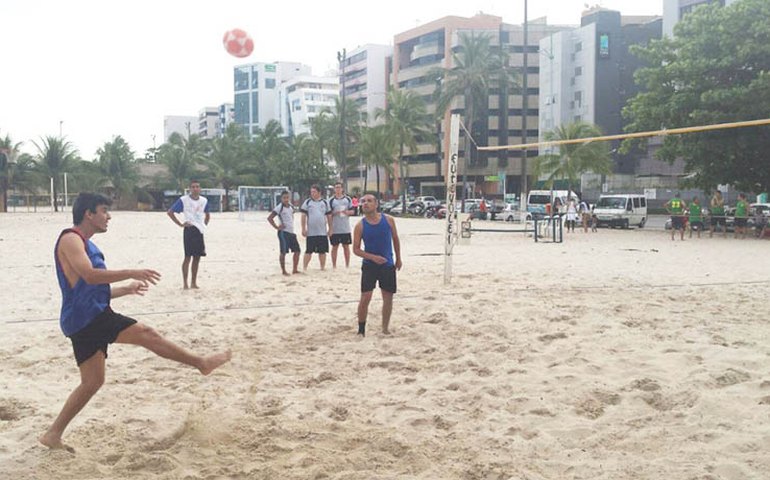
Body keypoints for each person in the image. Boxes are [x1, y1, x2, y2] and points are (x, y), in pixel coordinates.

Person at [40, 193, 231, 453]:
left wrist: (125, 289)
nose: (108, 216)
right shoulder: (71, 239)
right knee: (146, 334)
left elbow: (90, 288)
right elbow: (89, 275)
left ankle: (53, 434)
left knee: (92, 382)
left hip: (85, 317)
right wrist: (132, 271)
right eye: (104, 210)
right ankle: (201, 363)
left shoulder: (87, 244)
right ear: (88, 214)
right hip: (88, 318)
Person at [353, 194, 402, 337]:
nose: (365, 204)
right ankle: (361, 330)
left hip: (387, 264)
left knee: (388, 297)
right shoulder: (360, 225)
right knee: (365, 297)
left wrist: (398, 258)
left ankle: (385, 328)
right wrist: (372, 257)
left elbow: (395, 239)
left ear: (376, 204)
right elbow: (356, 249)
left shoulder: (389, 220)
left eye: (369, 201)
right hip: (369, 265)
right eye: (363, 202)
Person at [167, 180, 210, 289]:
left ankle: (193, 282)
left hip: (199, 231)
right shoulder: (184, 200)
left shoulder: (204, 201)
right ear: (190, 189)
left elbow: (207, 214)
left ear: (200, 189)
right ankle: (185, 283)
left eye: (197, 187)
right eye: (193, 187)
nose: (195, 189)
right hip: (189, 229)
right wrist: (180, 224)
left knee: (197, 258)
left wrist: (203, 225)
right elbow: (170, 212)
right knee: (187, 257)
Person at [267, 190, 300, 275]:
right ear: (281, 198)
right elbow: (270, 218)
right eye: (284, 198)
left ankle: (295, 269)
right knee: (283, 252)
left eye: (287, 197)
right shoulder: (279, 207)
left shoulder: (291, 207)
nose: (286, 199)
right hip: (283, 233)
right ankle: (284, 271)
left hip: (291, 232)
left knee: (297, 251)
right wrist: (277, 227)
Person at [300, 184, 331, 271]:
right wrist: (303, 228)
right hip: (311, 232)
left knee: (322, 251)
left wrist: (331, 228)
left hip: (322, 231)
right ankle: (304, 267)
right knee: (309, 251)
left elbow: (329, 216)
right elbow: (303, 216)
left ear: (319, 192)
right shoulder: (307, 202)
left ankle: (322, 267)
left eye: (314, 192)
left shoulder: (325, 202)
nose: (312, 193)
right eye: (311, 192)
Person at [328, 182, 355, 269]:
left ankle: (347, 265)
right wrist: (334, 212)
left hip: (345, 228)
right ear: (334, 189)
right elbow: (328, 213)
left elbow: (353, 211)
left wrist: (347, 212)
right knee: (334, 247)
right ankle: (334, 265)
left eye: (339, 187)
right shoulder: (331, 200)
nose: (338, 189)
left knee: (346, 246)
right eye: (336, 188)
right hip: (335, 228)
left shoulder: (347, 199)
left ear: (342, 189)